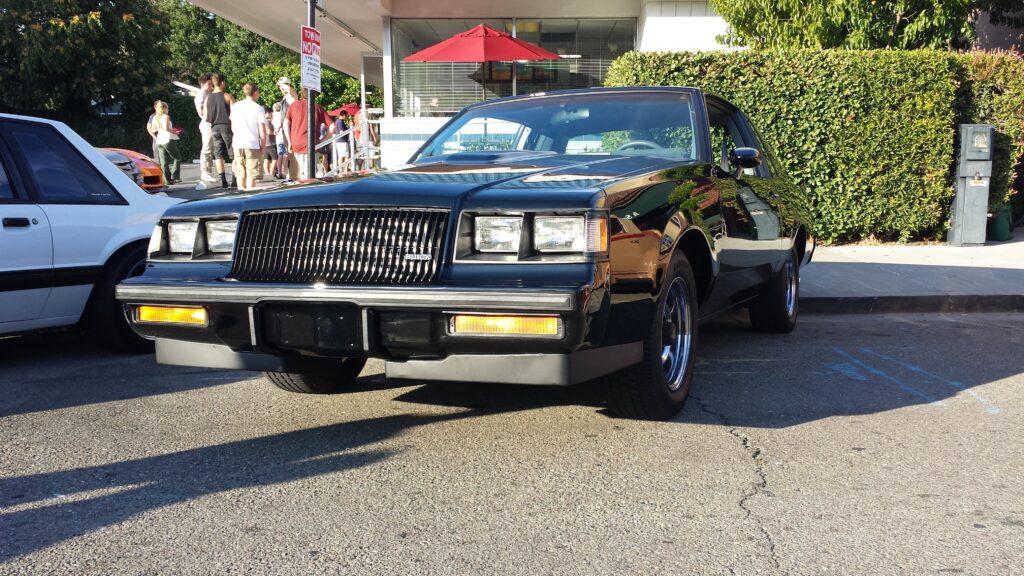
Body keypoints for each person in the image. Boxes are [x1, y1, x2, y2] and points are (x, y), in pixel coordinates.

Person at [283, 88, 333, 180]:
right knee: (309, 173)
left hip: (296, 143)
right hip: (312, 144)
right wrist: (323, 140)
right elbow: (332, 126)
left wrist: (289, 141)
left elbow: (286, 123)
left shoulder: (293, 106)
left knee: (303, 170)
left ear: (301, 93)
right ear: (314, 94)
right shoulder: (317, 107)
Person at [229, 83, 267, 191]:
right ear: (255, 93)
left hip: (238, 142)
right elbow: (262, 130)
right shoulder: (258, 108)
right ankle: (250, 191)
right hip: (252, 143)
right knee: (252, 172)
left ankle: (241, 190)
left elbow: (233, 127)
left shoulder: (236, 106)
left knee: (240, 170)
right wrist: (263, 145)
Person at [204, 73, 235, 188]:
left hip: (214, 127)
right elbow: (234, 115)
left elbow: (205, 116)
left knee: (218, 154)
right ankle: (234, 179)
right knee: (233, 154)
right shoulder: (228, 97)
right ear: (222, 83)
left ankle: (223, 181)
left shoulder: (208, 98)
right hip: (227, 126)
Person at [194, 73, 217, 189]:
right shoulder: (200, 95)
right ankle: (205, 171)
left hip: (213, 123)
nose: (211, 86)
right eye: (208, 84)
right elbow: (201, 113)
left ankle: (209, 171)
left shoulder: (210, 94)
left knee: (212, 148)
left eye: (211, 84)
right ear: (202, 84)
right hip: (207, 124)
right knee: (207, 147)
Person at [153, 100, 181, 185]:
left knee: (164, 162)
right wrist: (175, 132)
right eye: (167, 108)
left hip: (159, 140)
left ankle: (167, 180)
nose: (168, 109)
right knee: (177, 157)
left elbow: (153, 129)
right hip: (167, 139)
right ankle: (175, 177)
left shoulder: (155, 117)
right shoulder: (165, 116)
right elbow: (166, 128)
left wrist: (159, 128)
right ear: (164, 108)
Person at [276, 77, 299, 181]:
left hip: (292, 128)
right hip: (285, 129)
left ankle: (295, 177)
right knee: (289, 154)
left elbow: (290, 90)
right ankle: (292, 175)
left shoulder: (292, 95)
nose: (280, 89)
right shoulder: (285, 98)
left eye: (281, 87)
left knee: (292, 153)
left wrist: (282, 83)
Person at [263, 109, 278, 180]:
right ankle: (271, 173)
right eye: (271, 113)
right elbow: (268, 132)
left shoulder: (263, 121)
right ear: (268, 113)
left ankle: (267, 173)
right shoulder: (267, 121)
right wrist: (275, 132)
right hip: (270, 143)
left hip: (265, 143)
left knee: (267, 158)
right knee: (275, 159)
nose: (272, 115)